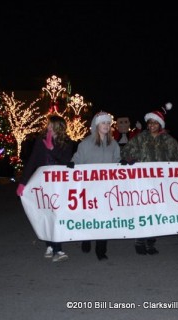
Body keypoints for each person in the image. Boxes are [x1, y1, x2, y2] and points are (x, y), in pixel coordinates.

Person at [121, 103, 178, 255]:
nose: (152, 125)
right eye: (150, 123)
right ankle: (139, 240)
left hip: (161, 183)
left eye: (155, 123)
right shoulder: (140, 138)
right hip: (142, 181)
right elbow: (125, 152)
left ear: (160, 124)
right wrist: (129, 159)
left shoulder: (168, 140)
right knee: (143, 211)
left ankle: (151, 242)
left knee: (157, 213)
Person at [16, 115, 74, 263]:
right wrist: (23, 182)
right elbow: (33, 161)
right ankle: (50, 245)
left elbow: (66, 161)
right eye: (48, 125)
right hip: (43, 183)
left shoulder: (67, 142)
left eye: (52, 126)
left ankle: (57, 249)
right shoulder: (40, 141)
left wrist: (52, 149)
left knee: (57, 215)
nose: (49, 128)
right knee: (46, 214)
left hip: (59, 185)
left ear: (59, 128)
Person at [70, 111, 121, 260]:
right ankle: (86, 238)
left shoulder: (113, 144)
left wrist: (122, 164)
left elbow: (117, 160)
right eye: (103, 123)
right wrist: (72, 164)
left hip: (106, 188)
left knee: (103, 218)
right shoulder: (85, 144)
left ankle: (101, 250)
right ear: (96, 125)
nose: (106, 125)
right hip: (90, 187)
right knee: (90, 216)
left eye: (108, 123)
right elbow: (77, 159)